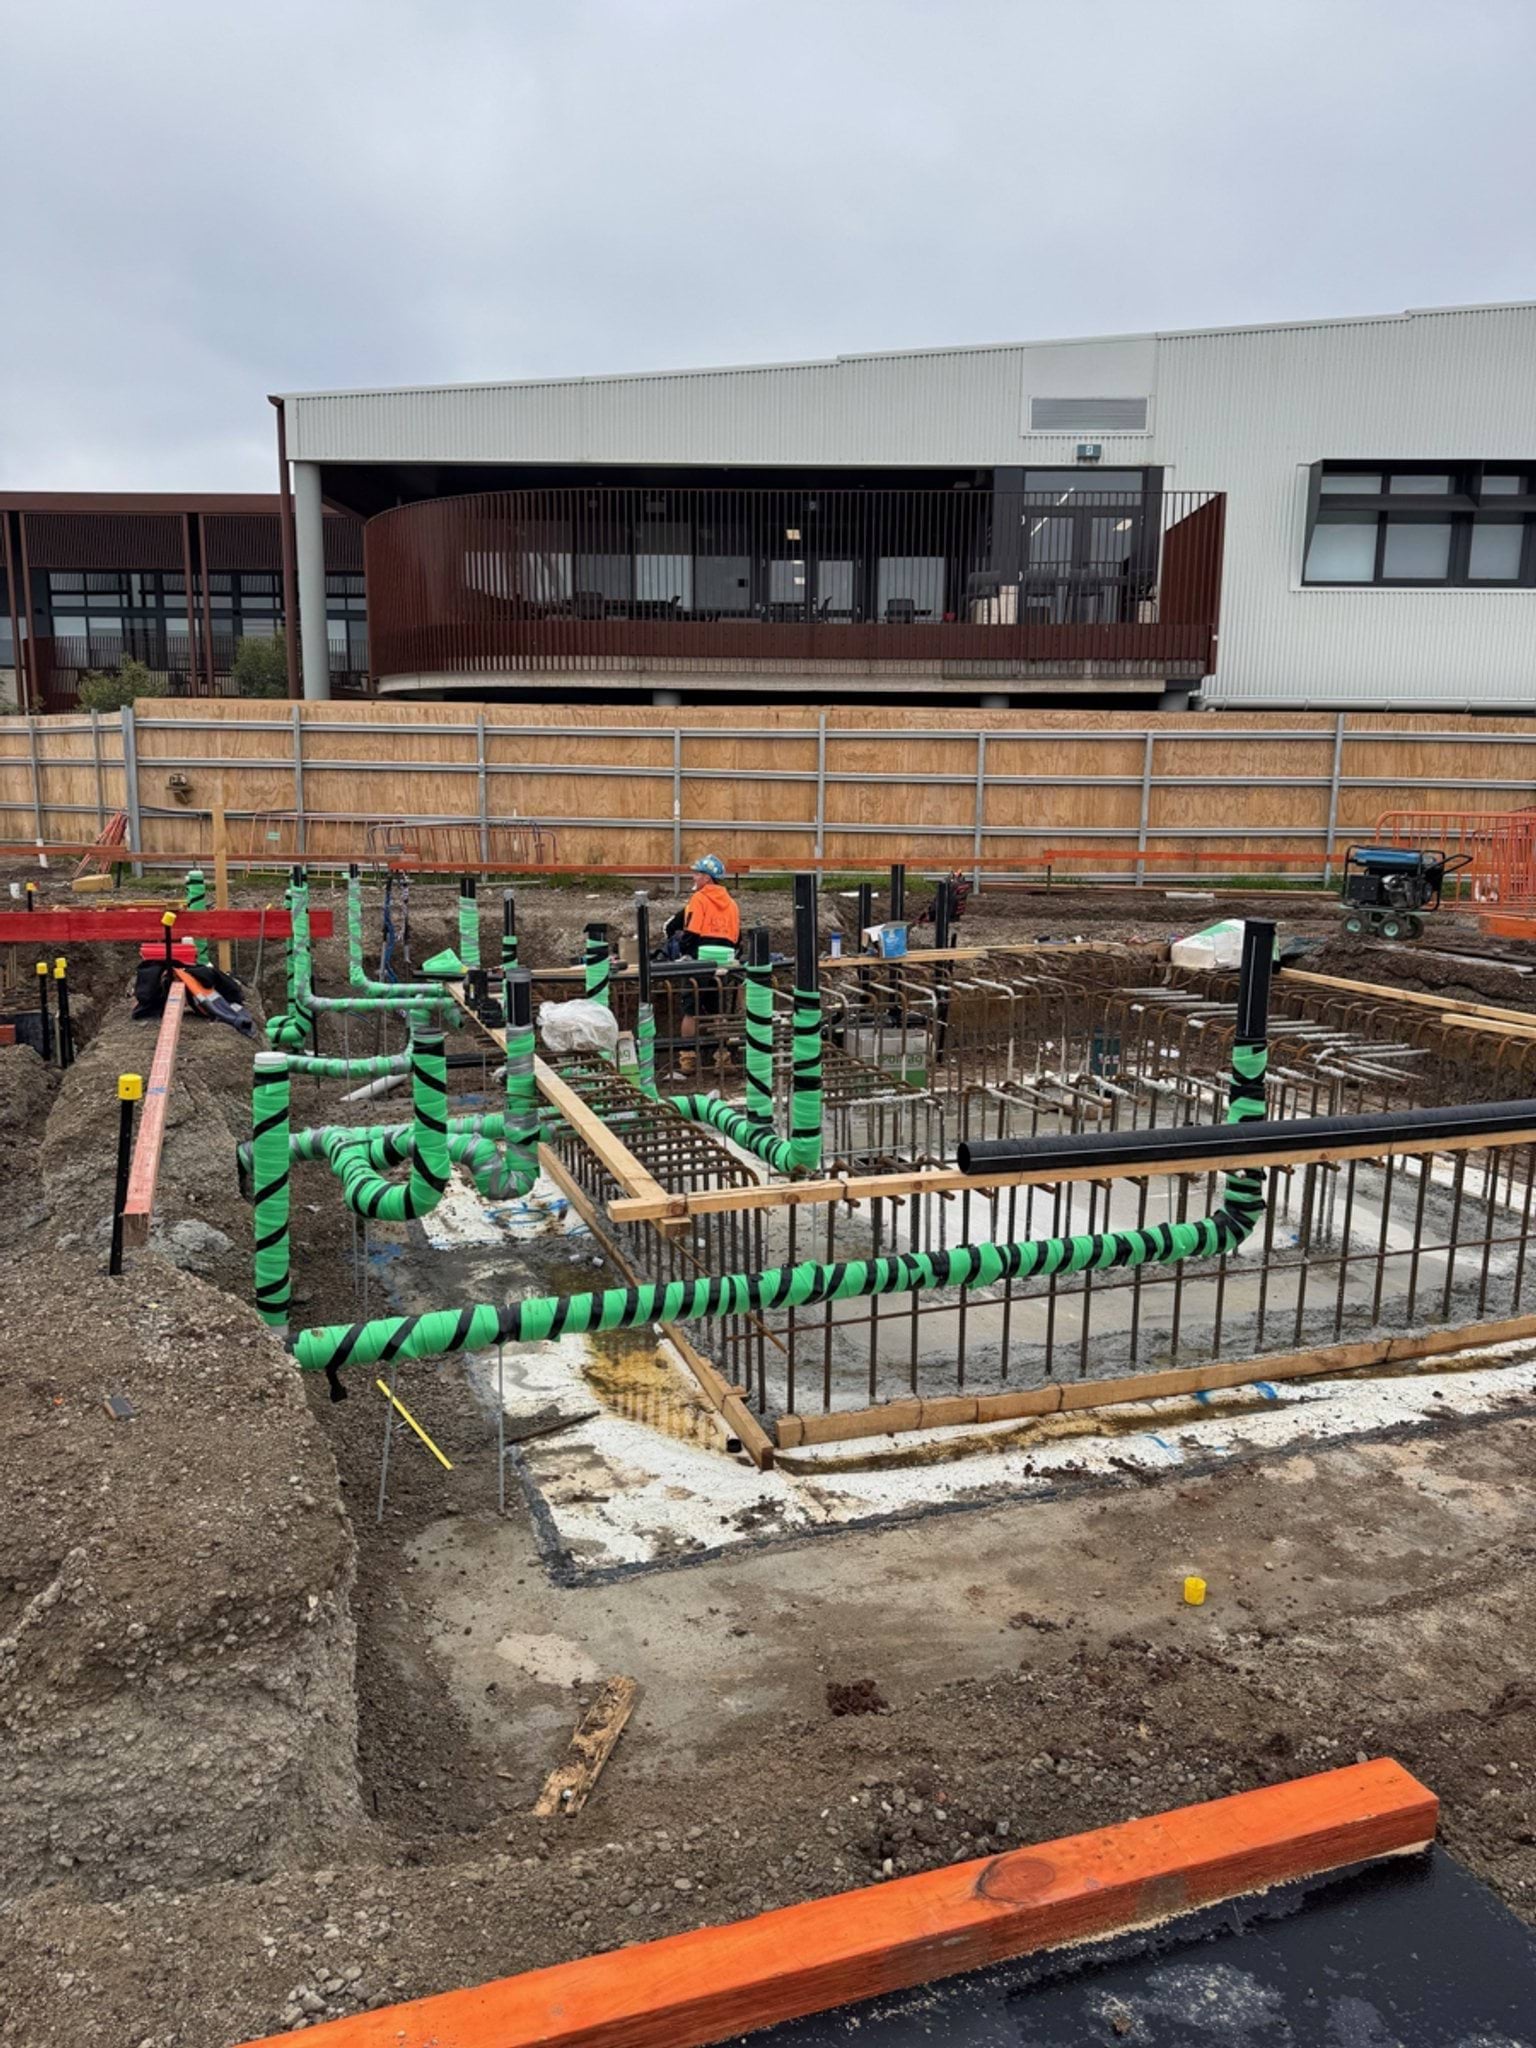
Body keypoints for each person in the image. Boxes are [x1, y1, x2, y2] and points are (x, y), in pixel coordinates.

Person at [664, 854, 741, 1075]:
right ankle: (723, 1060)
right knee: (718, 1011)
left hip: (697, 963)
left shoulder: (698, 900)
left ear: (707, 878)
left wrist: (683, 953)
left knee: (691, 1011)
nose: (694, 877)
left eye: (697, 874)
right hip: (723, 964)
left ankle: (687, 1060)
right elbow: (737, 939)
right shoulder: (732, 904)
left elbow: (692, 932)